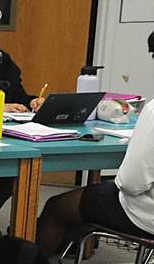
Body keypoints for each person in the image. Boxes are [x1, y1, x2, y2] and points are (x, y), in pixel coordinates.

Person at [37, 103, 154, 255]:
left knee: (56, 207)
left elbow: (130, 184)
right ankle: (76, 245)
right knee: (96, 194)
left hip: (145, 216)